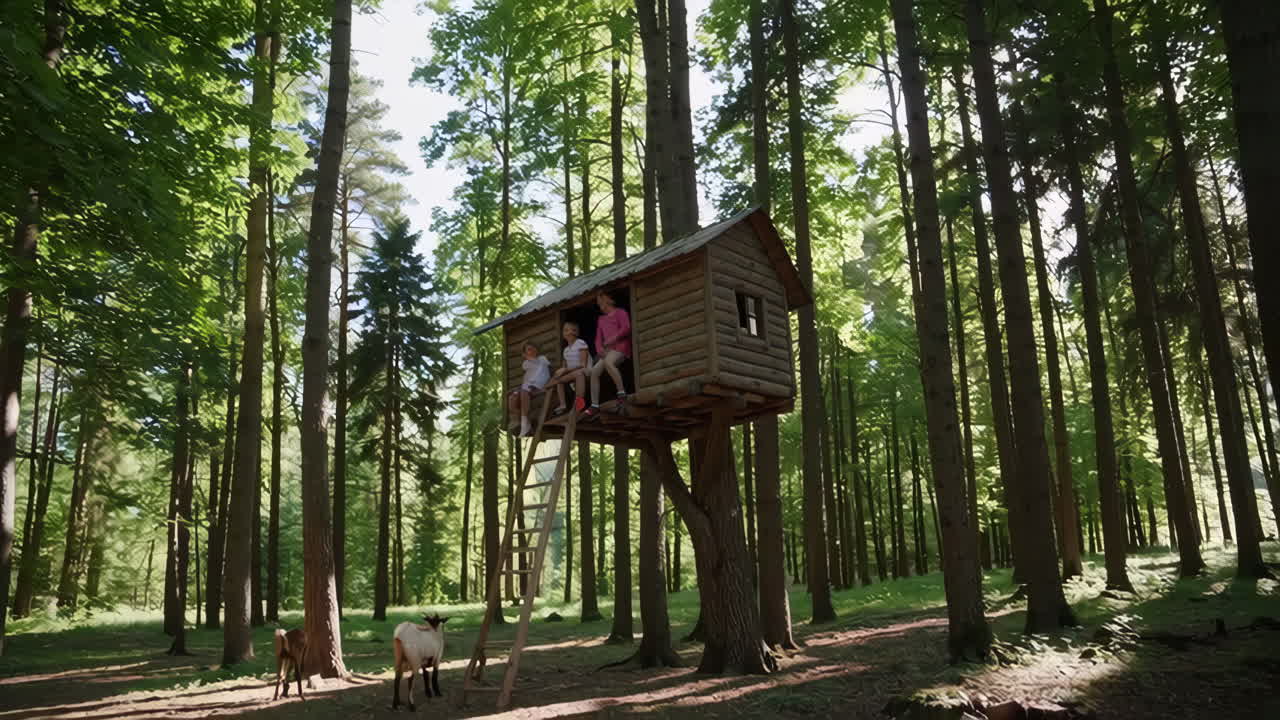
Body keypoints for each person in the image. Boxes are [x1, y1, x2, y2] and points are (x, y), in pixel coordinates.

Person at [584, 291, 630, 418]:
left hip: (620, 347)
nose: (600, 304)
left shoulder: (620, 312)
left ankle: (621, 393)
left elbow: (626, 327)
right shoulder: (601, 319)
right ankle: (594, 405)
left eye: (602, 300)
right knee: (594, 372)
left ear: (611, 299)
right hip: (607, 351)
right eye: (598, 303)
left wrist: (613, 338)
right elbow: (598, 338)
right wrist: (599, 350)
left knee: (609, 363)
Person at [508, 343, 550, 436]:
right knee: (512, 397)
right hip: (528, 385)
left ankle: (524, 422)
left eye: (533, 348)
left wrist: (527, 356)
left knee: (523, 391)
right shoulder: (526, 363)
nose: (532, 350)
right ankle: (516, 419)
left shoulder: (542, 359)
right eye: (529, 349)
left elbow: (541, 368)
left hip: (538, 385)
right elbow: (529, 369)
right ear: (525, 353)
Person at [550, 321, 590, 416]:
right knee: (559, 380)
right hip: (572, 374)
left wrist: (565, 370)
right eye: (566, 330)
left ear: (577, 333)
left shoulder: (580, 343)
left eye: (573, 330)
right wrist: (560, 372)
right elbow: (565, 367)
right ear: (563, 333)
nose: (569, 332)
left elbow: (583, 364)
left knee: (579, 373)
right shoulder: (566, 350)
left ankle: (579, 402)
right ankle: (563, 404)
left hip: (585, 371)